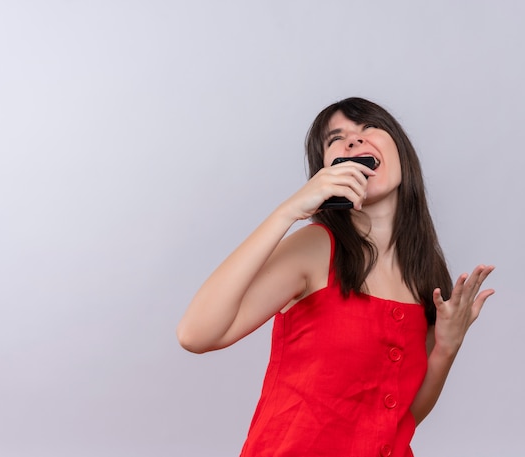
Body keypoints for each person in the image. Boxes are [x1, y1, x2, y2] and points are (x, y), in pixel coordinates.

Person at [177, 97, 495, 457]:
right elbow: (196, 334)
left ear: (401, 150)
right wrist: (288, 212)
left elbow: (399, 418)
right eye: (336, 139)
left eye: (368, 127)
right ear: (325, 172)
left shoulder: (424, 275)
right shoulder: (316, 248)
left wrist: (447, 347)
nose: (354, 141)